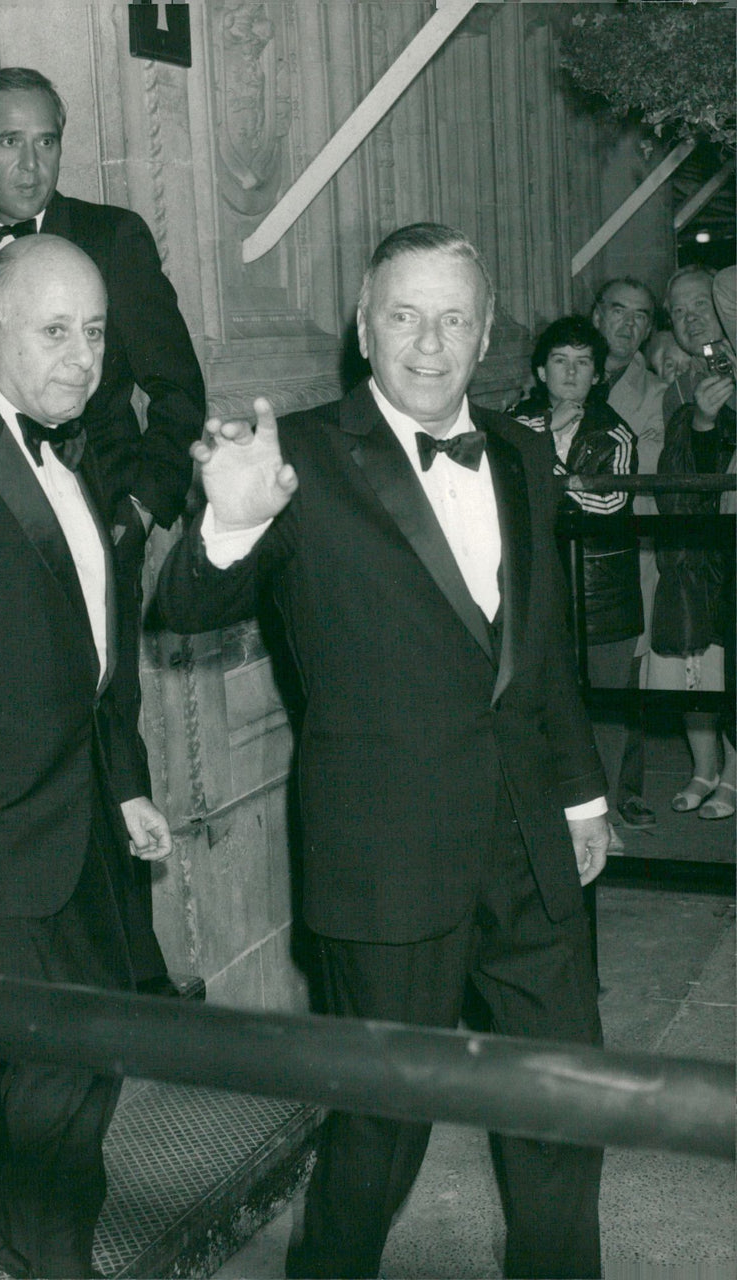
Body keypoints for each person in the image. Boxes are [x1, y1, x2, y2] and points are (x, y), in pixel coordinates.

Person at [157, 223, 610, 1280]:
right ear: (363, 328)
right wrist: (227, 524)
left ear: (486, 334)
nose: (428, 343)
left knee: (564, 1101)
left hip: (528, 839)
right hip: (385, 854)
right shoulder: (300, 454)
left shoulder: (521, 451)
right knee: (381, 1130)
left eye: (453, 319)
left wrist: (582, 793)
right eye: (404, 315)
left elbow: (539, 645)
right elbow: (186, 605)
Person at [0, 65, 207, 993]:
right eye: (8, 141)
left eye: (47, 140)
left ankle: (131, 986)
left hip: (99, 532)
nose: (31, 161)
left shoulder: (112, 239)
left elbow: (177, 391)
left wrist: (135, 512)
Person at [0, 235, 174, 1278]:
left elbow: (91, 651)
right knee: (57, 1059)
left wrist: (125, 787)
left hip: (79, 824)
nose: (83, 359)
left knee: (99, 1049)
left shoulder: (75, 449)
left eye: (96, 333)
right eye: (55, 331)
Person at [509, 316, 642, 840]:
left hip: (601, 591)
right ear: (542, 371)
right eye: (560, 361)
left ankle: (601, 820)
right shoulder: (514, 424)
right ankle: (546, 822)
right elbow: (498, 492)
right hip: (534, 591)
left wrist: (546, 458)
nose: (570, 372)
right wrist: (546, 438)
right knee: (541, 706)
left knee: (604, 709)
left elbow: (610, 503)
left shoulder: (614, 432)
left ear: (597, 375)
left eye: (582, 363)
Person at [647, 264, 737, 820]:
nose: (691, 318)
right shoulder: (675, 381)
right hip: (699, 542)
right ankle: (705, 770)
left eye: (700, 303)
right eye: (677, 312)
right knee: (697, 657)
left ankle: (732, 776)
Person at [590, 278, 666, 830]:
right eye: (619, 310)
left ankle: (625, 790)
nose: (628, 323)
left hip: (627, 548)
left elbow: (654, 472)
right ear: (598, 315)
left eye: (640, 315)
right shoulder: (564, 370)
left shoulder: (660, 391)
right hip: (568, 553)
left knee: (626, 676)